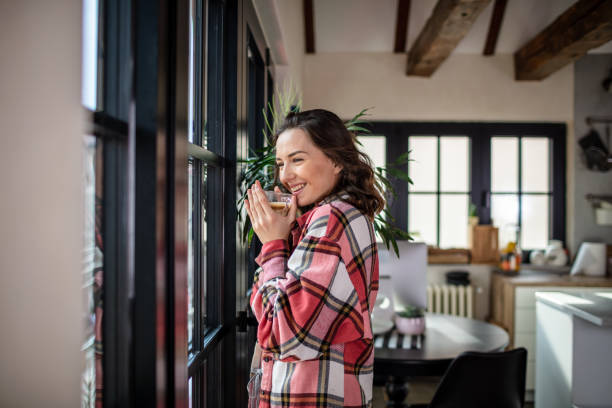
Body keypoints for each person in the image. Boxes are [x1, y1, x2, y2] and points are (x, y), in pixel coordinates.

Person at [245, 109, 384, 407]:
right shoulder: (342, 216)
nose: (285, 175)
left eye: (297, 159)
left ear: (335, 161)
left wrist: (272, 245)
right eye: (281, 163)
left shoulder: (331, 219)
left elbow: (282, 331)